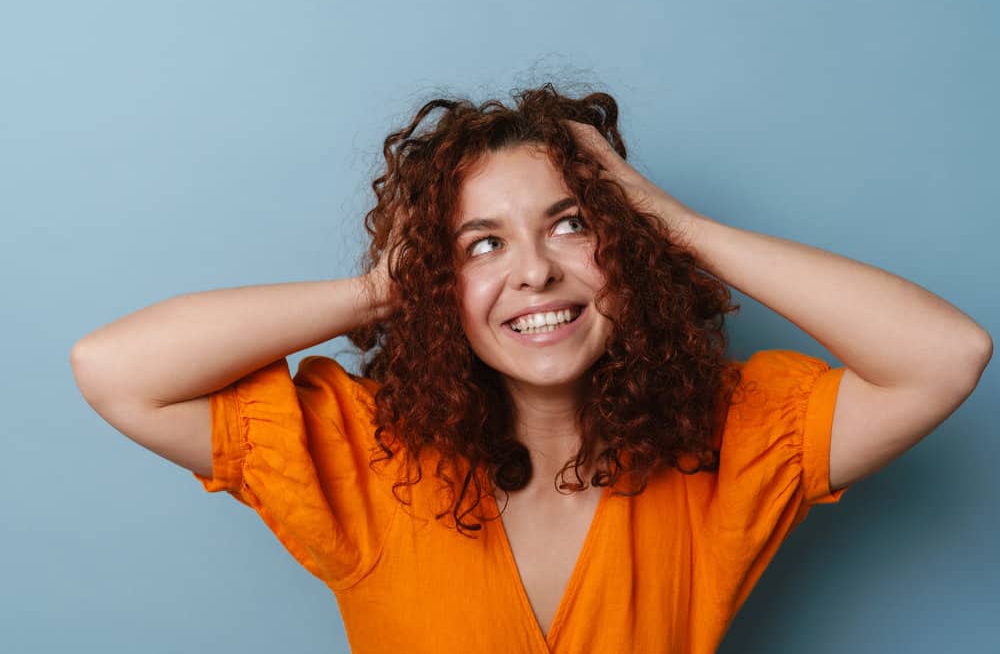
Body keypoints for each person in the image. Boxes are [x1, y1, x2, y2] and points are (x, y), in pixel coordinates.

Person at [70, 82, 992, 653]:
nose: (534, 271)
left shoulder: (728, 445)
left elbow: (949, 355)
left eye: (571, 223)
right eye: (480, 244)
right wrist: (384, 288)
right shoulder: (364, 454)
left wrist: (672, 224)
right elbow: (114, 367)